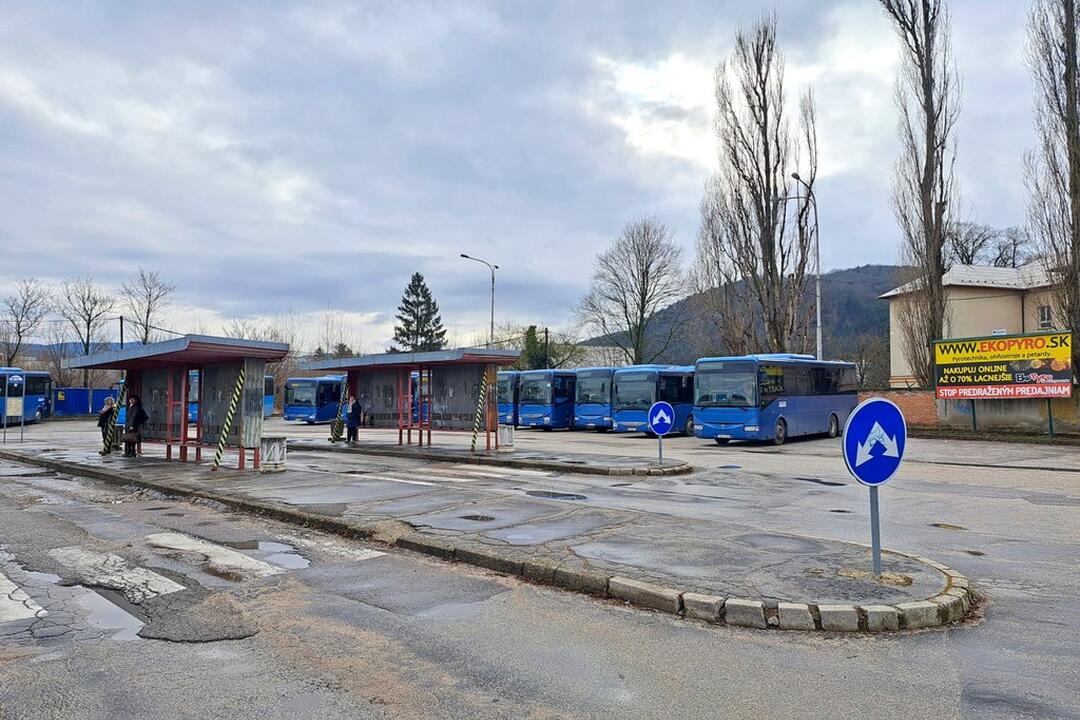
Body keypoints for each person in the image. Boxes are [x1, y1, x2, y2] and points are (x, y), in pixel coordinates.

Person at [122, 394, 149, 458]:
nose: (131, 400)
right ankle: (129, 452)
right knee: (129, 439)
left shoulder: (136, 407)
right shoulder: (131, 406)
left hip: (132, 425)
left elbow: (133, 417)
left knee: (131, 439)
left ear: (136, 400)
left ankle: (132, 452)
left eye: (132, 399)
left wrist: (131, 425)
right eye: (130, 399)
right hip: (130, 424)